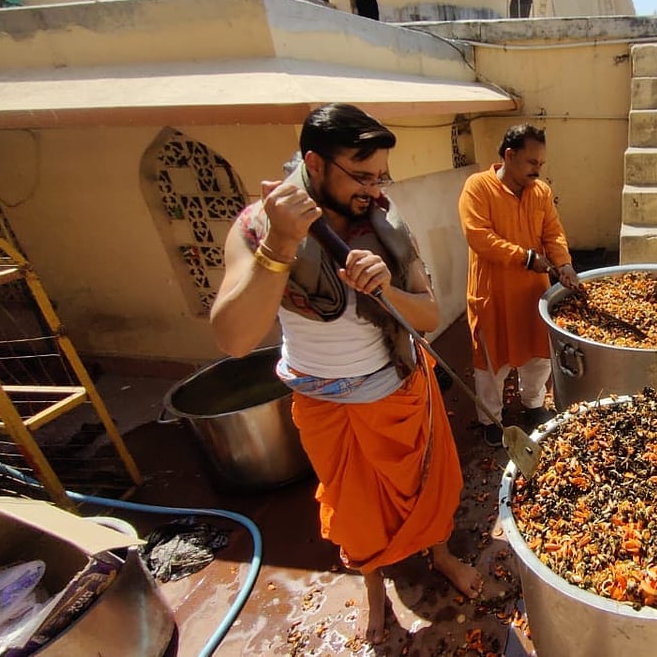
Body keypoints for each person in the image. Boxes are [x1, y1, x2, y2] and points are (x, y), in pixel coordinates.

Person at [210, 103, 482, 645]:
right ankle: (374, 587)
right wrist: (281, 244)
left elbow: (427, 315)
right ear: (313, 162)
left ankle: (441, 554)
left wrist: (388, 288)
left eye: (380, 175)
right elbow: (233, 339)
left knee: (425, 490)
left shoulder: (383, 224)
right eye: (361, 175)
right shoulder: (258, 226)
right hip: (324, 402)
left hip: (398, 390)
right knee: (357, 514)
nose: (373, 189)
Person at [457, 124, 579, 447]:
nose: (538, 170)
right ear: (509, 156)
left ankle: (533, 404)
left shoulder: (540, 192)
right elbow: (478, 236)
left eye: (541, 163)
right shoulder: (478, 188)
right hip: (493, 294)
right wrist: (524, 257)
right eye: (531, 163)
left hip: (532, 293)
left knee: (537, 355)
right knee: (490, 363)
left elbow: (552, 232)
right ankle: (491, 419)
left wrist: (563, 263)